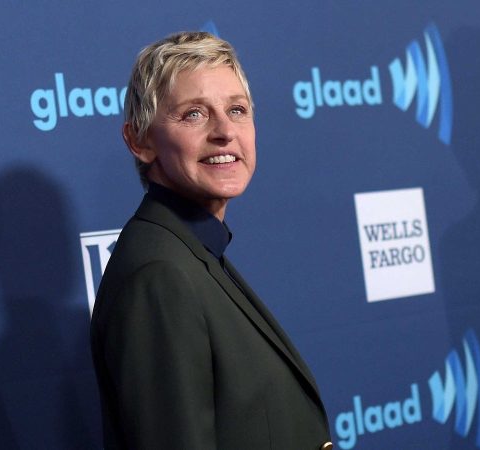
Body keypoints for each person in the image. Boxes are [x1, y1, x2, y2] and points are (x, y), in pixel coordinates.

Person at [90, 31, 332, 450]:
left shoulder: (195, 252)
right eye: (194, 114)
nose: (225, 131)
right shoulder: (160, 276)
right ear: (139, 141)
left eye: (237, 109)